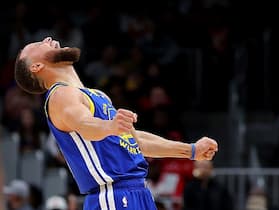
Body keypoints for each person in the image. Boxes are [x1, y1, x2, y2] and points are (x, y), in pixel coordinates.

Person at [14, 37, 218, 210]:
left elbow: (136, 143)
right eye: (39, 44)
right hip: (112, 195)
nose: (48, 39)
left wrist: (191, 150)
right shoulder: (60, 95)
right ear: (36, 66)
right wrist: (110, 126)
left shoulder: (95, 95)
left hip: (138, 191)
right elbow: (85, 125)